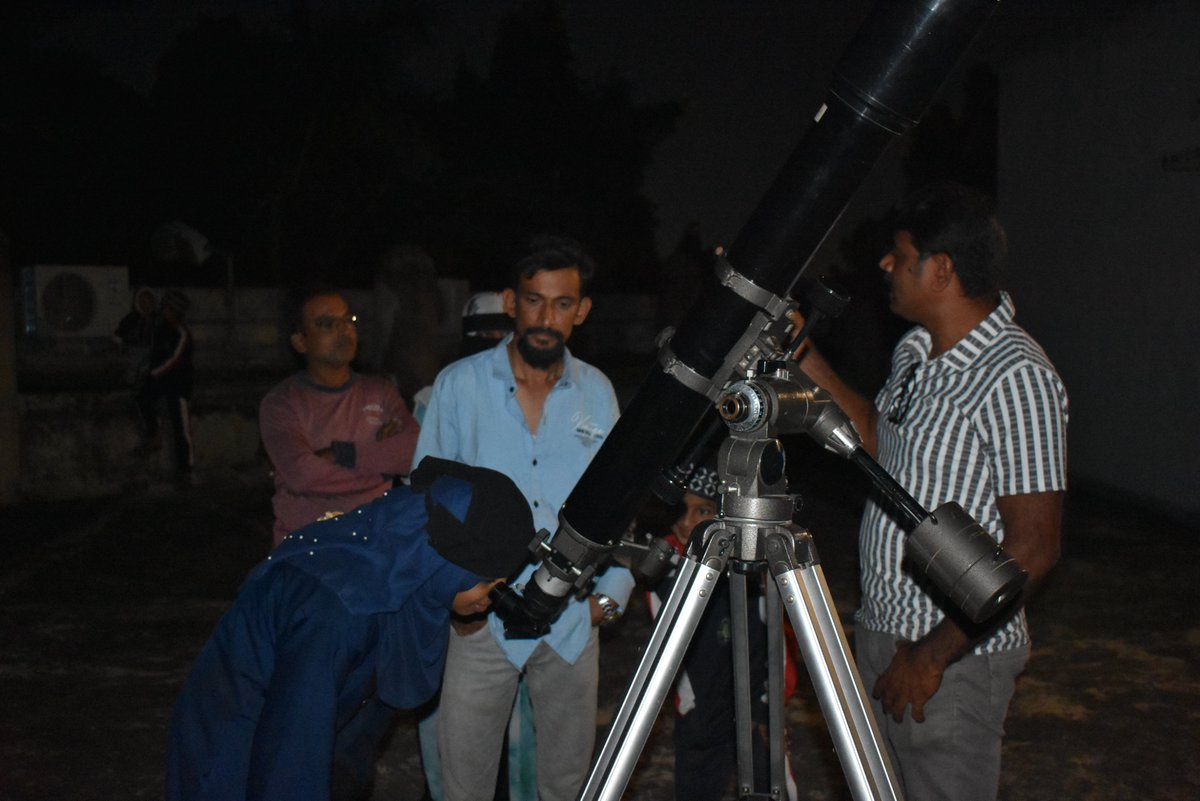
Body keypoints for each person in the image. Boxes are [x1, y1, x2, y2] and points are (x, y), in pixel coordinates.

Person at [795, 181, 1068, 801]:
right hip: (884, 636)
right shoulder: (916, 352)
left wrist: (931, 655)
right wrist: (802, 353)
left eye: (900, 254)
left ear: (941, 270)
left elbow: (1034, 546)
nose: (885, 264)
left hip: (951, 661)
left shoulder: (1016, 376)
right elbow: (873, 442)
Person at [165, 457, 536, 801]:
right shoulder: (340, 609)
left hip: (316, 738)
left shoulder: (405, 578)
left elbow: (355, 724)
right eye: (488, 583)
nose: (492, 599)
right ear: (449, 566)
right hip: (238, 745)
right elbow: (292, 748)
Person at [415, 235, 633, 801]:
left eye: (562, 304)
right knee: (464, 786)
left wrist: (608, 598)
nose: (545, 318)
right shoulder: (459, 385)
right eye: (534, 301)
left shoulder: (597, 392)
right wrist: (454, 597)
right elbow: (426, 500)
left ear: (581, 310)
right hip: (480, 616)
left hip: (571, 620)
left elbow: (619, 502)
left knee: (567, 786)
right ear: (511, 302)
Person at [259, 286, 419, 547]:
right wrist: (382, 467)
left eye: (348, 320)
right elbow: (303, 475)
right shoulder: (282, 403)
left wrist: (342, 454)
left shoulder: (380, 392)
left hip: (372, 542)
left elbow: (413, 451)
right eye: (327, 324)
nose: (344, 330)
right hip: (307, 546)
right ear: (300, 341)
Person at [134, 289, 195, 478]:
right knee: (142, 398)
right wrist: (147, 372)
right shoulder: (162, 329)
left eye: (166, 308)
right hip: (161, 380)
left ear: (174, 311)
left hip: (179, 385)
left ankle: (186, 468)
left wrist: (152, 373)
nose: (163, 310)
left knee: (180, 428)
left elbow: (174, 360)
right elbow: (155, 355)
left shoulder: (182, 333)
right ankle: (153, 436)